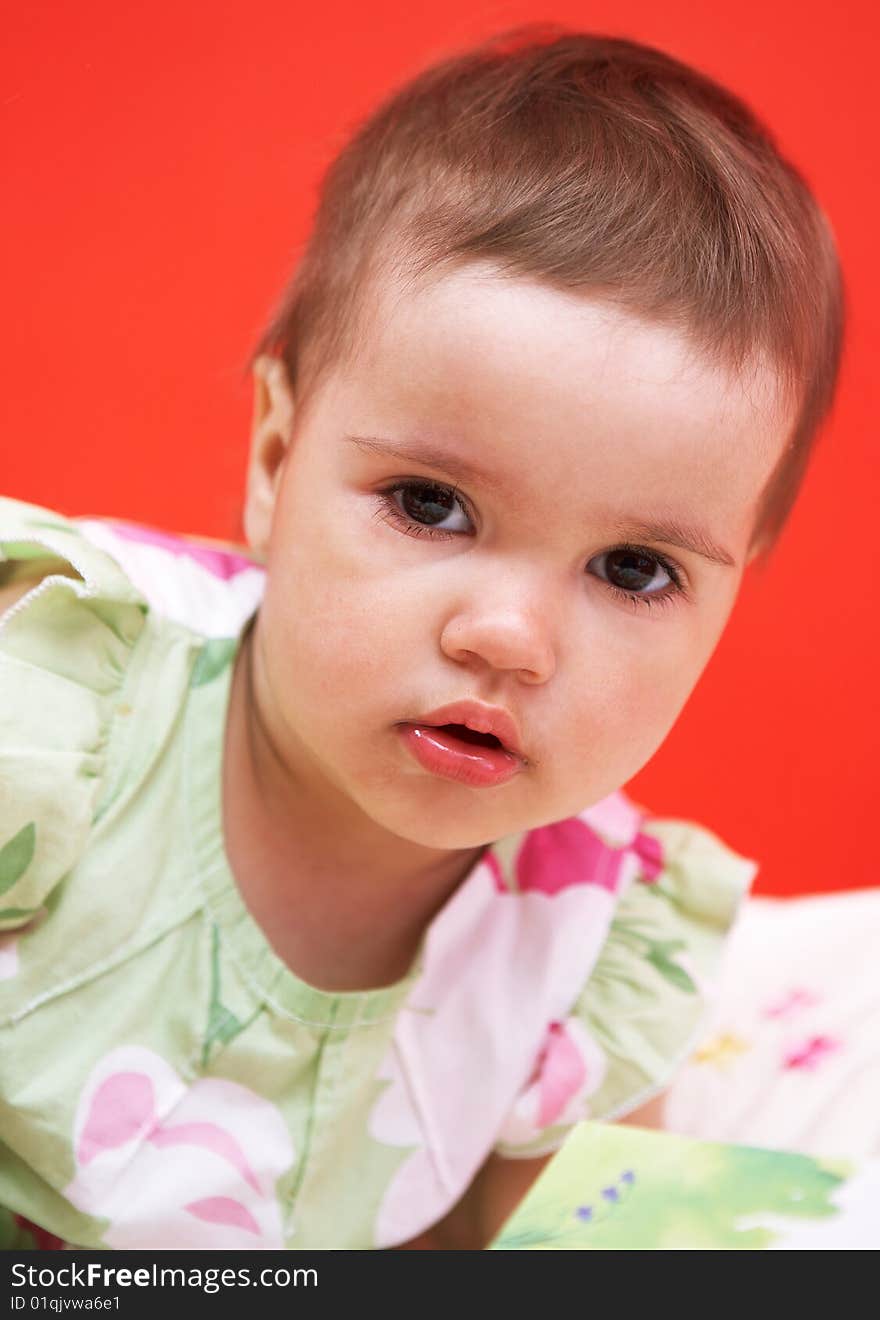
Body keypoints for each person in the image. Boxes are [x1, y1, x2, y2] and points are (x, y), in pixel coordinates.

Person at [0, 24, 845, 1250]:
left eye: (632, 568)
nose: (510, 637)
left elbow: (586, 1262)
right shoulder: (68, 707)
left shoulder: (590, 954)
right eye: (429, 504)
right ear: (276, 456)